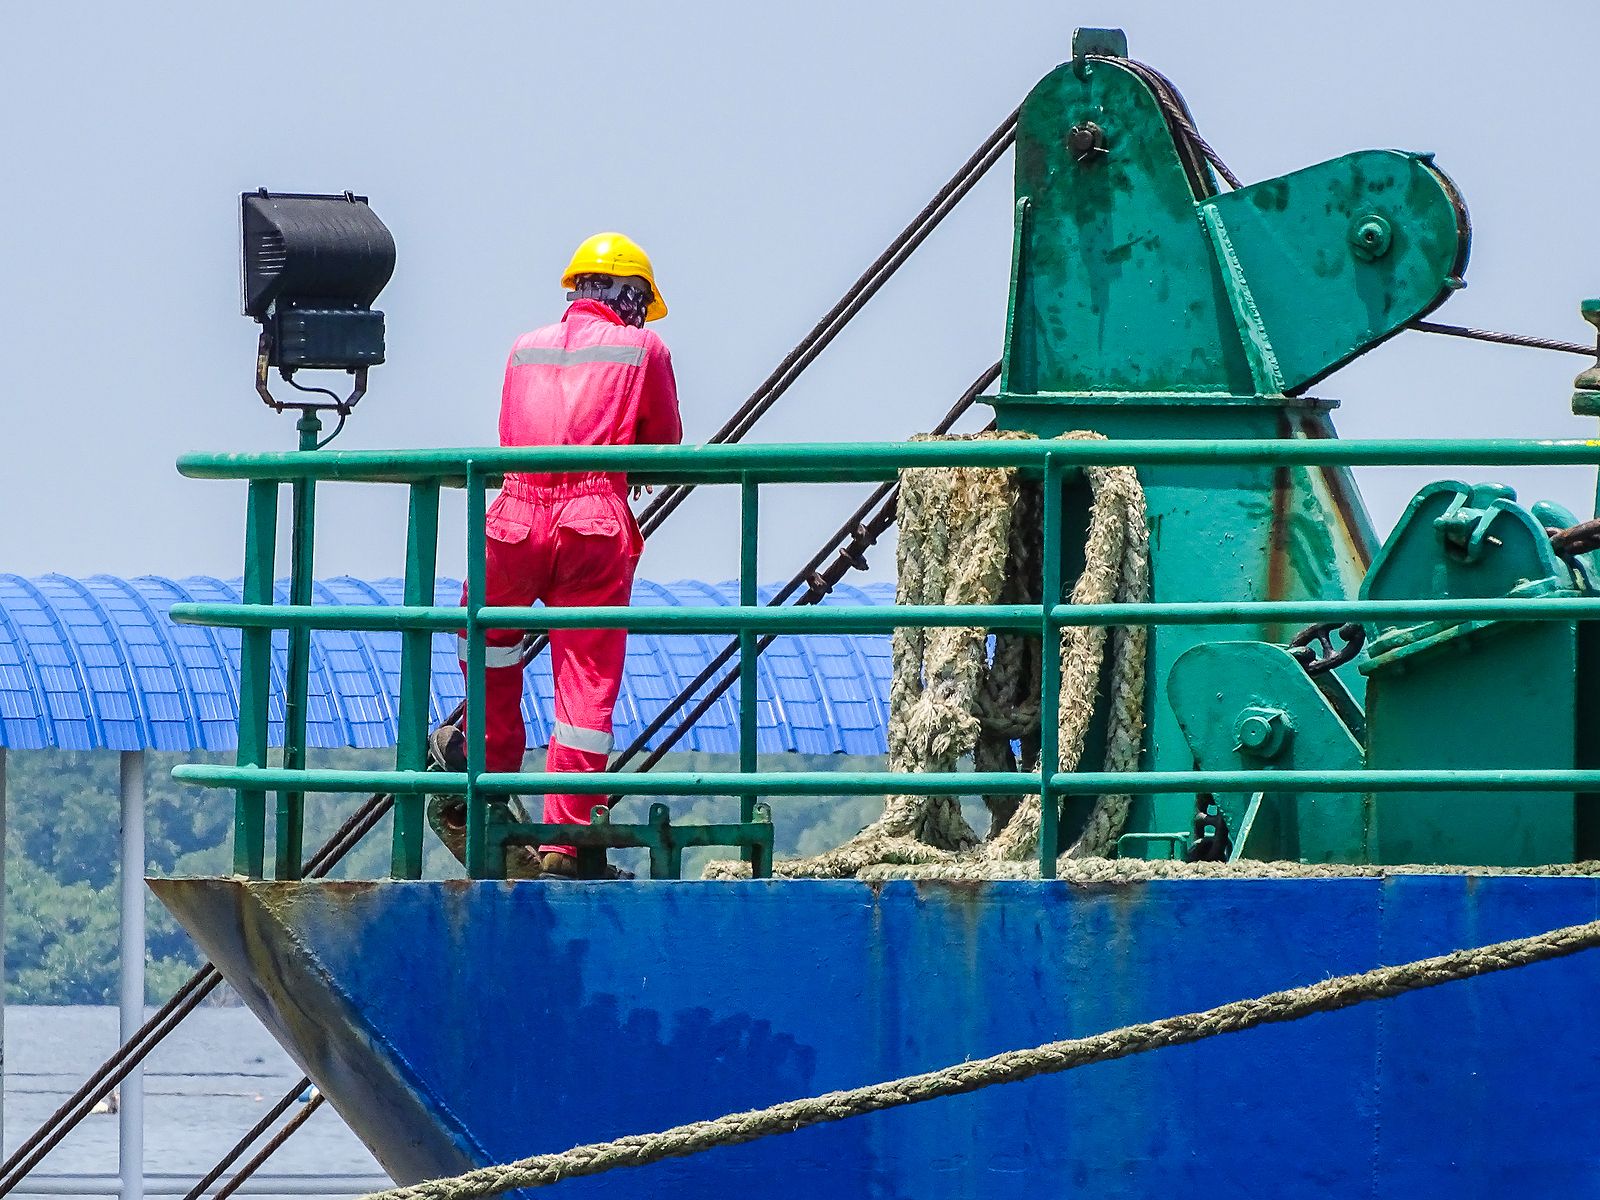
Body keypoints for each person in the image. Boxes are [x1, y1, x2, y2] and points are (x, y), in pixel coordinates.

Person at [430, 232, 681, 878]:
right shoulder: (642, 347)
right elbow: (665, 440)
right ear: (633, 296)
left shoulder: (523, 348)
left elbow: (512, 433)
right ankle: (565, 844)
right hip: (591, 524)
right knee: (583, 690)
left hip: (512, 517)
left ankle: (482, 784)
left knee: (487, 649)